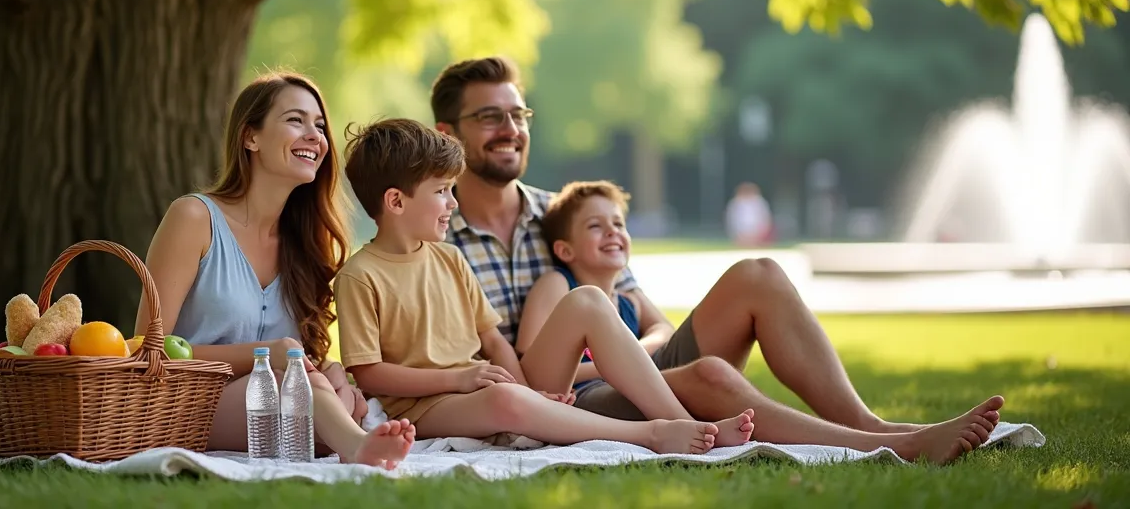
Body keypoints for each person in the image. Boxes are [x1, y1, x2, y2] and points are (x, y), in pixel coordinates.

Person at [429, 56, 1006, 463]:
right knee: (708, 374)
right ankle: (897, 448)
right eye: (489, 118)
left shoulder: (564, 214)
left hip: (629, 370)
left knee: (759, 274)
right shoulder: (432, 237)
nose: (509, 130)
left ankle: (870, 425)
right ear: (447, 133)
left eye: (518, 115)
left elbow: (644, 315)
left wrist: (636, 350)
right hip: (560, 398)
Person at [334, 118, 753, 454]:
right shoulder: (360, 276)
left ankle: (686, 423)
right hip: (426, 408)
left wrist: (532, 392)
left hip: (490, 386)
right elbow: (370, 374)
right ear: (396, 201)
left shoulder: (449, 258)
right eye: (442, 191)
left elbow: (494, 342)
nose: (453, 203)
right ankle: (651, 435)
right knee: (507, 403)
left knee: (586, 300)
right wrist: (461, 381)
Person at [136, 71, 414, 469]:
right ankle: (356, 447)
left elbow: (300, 353)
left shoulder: (305, 242)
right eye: (295, 120)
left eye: (319, 125)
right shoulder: (194, 218)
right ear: (251, 138)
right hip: (182, 403)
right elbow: (147, 348)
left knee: (330, 395)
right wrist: (267, 356)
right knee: (294, 391)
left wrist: (328, 369)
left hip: (271, 399)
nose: (315, 136)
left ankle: (346, 432)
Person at [725, 182, 773, 246]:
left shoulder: (759, 202)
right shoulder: (736, 203)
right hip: (741, 233)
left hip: (758, 233)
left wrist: (760, 233)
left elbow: (765, 218)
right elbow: (732, 220)